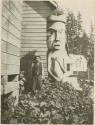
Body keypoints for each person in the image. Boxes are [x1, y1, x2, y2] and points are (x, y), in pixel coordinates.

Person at [47, 13, 82, 91]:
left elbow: (69, 68)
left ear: (65, 37)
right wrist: (56, 77)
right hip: (57, 79)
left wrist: (67, 74)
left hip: (63, 78)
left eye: (60, 32)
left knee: (72, 80)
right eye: (52, 33)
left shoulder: (65, 54)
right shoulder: (50, 54)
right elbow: (49, 69)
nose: (57, 38)